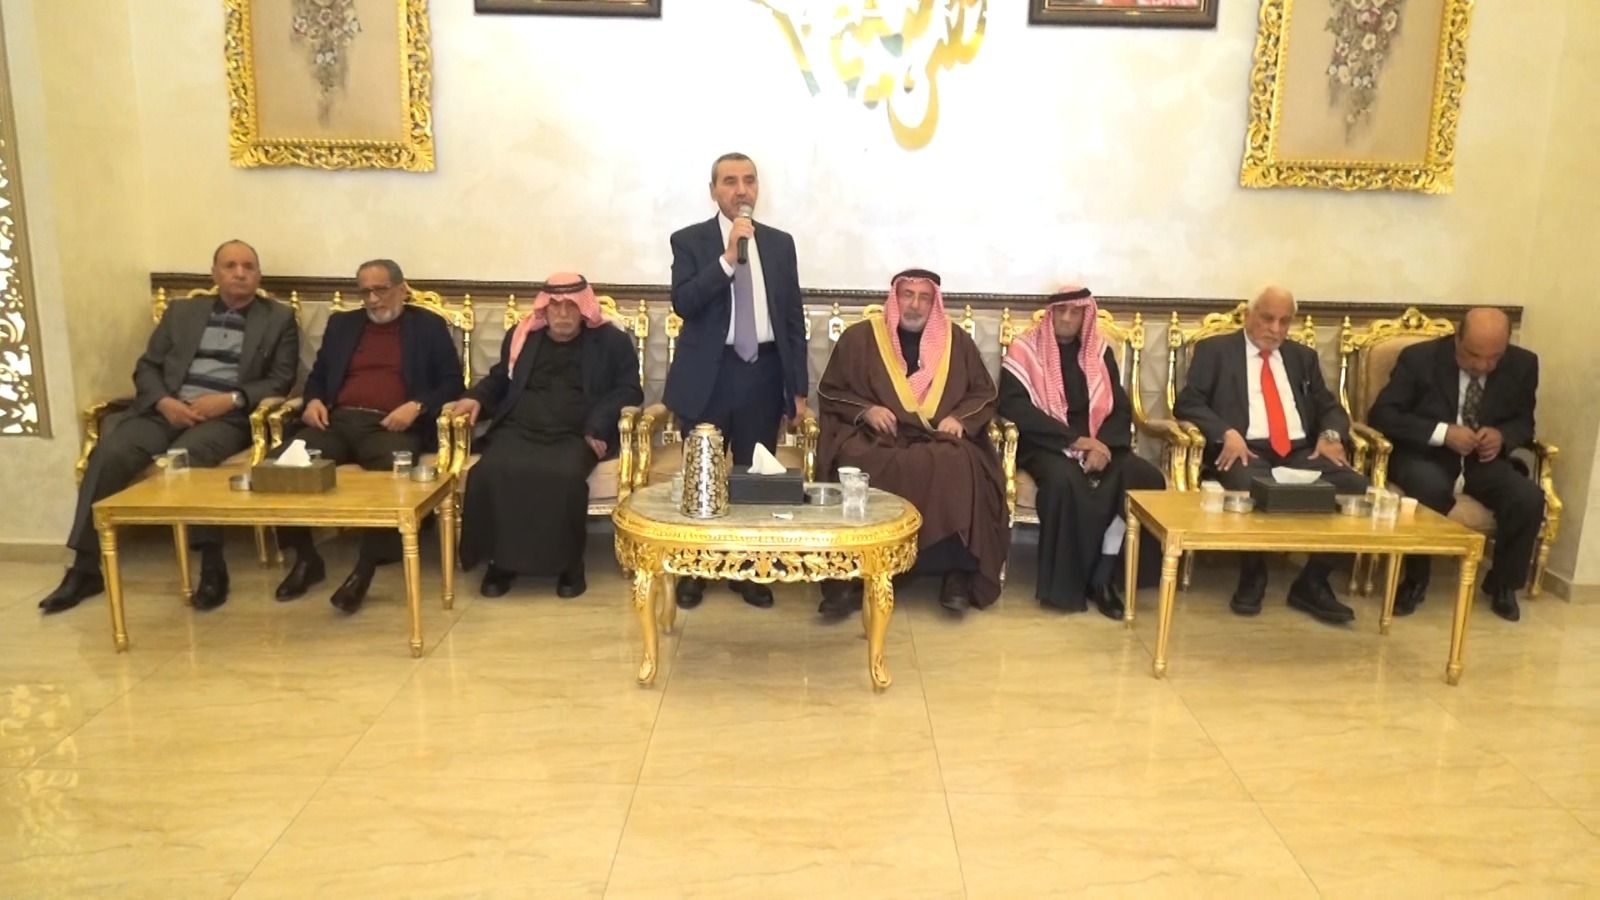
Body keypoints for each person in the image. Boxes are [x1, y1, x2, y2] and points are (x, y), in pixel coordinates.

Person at [39, 240, 299, 614]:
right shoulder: (182, 312)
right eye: (230, 266)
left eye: (248, 266)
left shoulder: (278, 318)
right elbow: (147, 366)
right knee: (109, 452)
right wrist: (163, 401)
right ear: (214, 273)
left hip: (226, 417)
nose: (240, 273)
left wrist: (231, 399)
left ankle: (212, 565)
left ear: (259, 275)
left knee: (188, 458)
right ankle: (84, 568)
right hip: (165, 410)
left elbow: (280, 379)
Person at [270, 259, 463, 613]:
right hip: (336, 422)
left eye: (381, 290)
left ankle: (364, 569)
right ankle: (306, 558)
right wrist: (313, 401)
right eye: (365, 292)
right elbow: (319, 376)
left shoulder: (428, 326)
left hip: (391, 426)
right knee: (283, 464)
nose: (373, 299)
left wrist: (417, 406)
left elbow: (452, 383)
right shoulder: (342, 325)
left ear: (402, 289)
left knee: (395, 476)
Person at [815, 268, 1009, 615]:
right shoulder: (861, 338)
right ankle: (853, 576)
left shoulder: (955, 342)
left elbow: (984, 393)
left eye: (924, 297)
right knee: (855, 459)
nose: (915, 305)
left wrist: (959, 418)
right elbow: (831, 391)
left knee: (958, 462)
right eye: (908, 295)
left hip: (938, 438)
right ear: (895, 297)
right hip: (879, 437)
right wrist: (866, 410)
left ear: (934, 303)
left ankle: (955, 573)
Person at [664, 152, 809, 610]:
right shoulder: (690, 240)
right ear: (713, 191)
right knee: (702, 477)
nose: (741, 189)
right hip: (709, 373)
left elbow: (792, 319)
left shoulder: (780, 244)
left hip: (763, 372)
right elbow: (684, 302)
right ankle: (695, 569)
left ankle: (749, 569)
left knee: (753, 476)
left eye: (749, 180)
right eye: (729, 181)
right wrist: (728, 258)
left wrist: (798, 389)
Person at [1174, 285, 1368, 624]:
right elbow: (1188, 402)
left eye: (1284, 321)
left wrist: (1330, 435)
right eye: (1267, 319)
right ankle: (1253, 575)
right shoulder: (1216, 350)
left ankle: (1313, 581)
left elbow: (1329, 407)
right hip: (1246, 450)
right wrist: (1225, 431)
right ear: (1248, 315)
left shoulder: (1302, 357)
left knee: (1355, 487)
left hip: (1300, 451)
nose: (1275, 329)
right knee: (1249, 485)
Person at [454, 274, 642, 598]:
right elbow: (501, 378)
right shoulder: (523, 336)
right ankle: (501, 564)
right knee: (491, 471)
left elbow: (628, 390)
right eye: (555, 307)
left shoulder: (611, 342)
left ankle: (569, 566)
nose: (563, 314)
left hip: (576, 433)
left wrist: (598, 425)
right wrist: (476, 398)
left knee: (563, 477)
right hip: (520, 429)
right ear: (544, 309)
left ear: (584, 309)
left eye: (571, 306)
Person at [998, 285, 1165, 618]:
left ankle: (1104, 576)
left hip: (1100, 442)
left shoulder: (1098, 352)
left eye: (1075, 312)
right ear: (1050, 314)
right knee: (1065, 482)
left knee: (1139, 476)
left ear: (1085, 315)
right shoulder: (1024, 351)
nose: (1067, 318)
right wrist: (1074, 440)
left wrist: (1103, 445)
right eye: (1061, 311)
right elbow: (1015, 408)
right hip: (1047, 444)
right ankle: (1067, 587)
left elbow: (1119, 407)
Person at [1368, 308, 1542, 622]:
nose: (1483, 366)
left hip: (1482, 460)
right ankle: (1415, 579)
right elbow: (1383, 415)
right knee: (1428, 488)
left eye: (1494, 357)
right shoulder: (1420, 359)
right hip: (1425, 455)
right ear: (1457, 338)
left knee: (1527, 497)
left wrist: (1502, 437)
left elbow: (1523, 422)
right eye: (1474, 355)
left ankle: (1502, 584)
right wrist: (1443, 433)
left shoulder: (1523, 364)